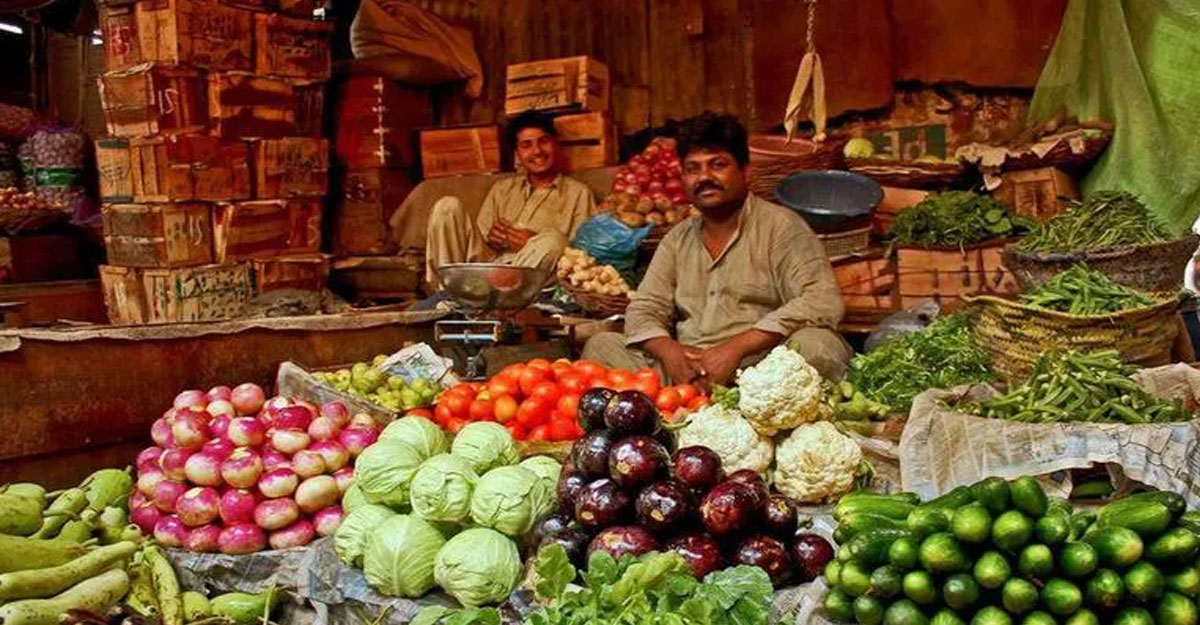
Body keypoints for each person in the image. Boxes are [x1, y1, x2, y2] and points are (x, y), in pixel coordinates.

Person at [582, 112, 851, 384]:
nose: (704, 177)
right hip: (686, 370)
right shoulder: (677, 239)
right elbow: (644, 308)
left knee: (818, 345)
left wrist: (736, 348)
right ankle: (670, 409)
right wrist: (670, 352)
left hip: (760, 368)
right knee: (601, 347)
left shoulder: (781, 226)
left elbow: (821, 300)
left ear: (745, 171)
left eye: (718, 165)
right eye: (693, 169)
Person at [424, 111, 596, 290]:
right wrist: (492, 240)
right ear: (517, 154)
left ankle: (502, 298)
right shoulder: (502, 189)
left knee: (554, 241)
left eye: (543, 141)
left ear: (555, 144)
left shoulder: (578, 194)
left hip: (529, 281)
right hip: (485, 273)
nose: (537, 151)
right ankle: (449, 295)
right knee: (447, 206)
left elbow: (583, 256)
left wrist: (532, 243)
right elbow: (480, 243)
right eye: (526, 145)